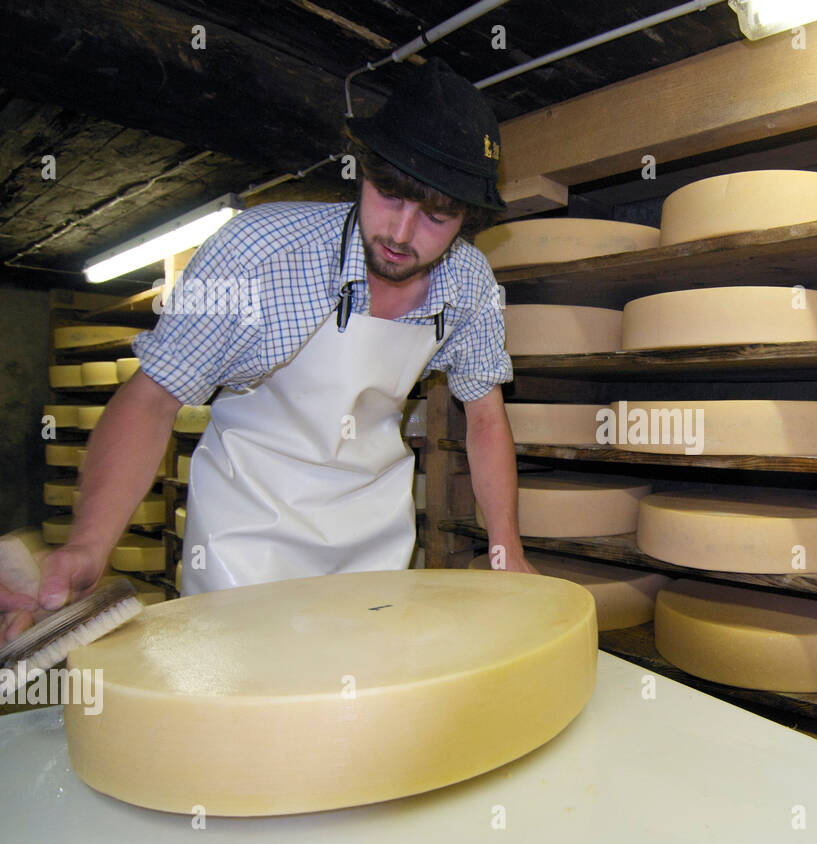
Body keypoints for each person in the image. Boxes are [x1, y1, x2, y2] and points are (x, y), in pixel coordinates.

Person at [2, 57, 533, 635]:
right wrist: (88, 545)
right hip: (246, 546)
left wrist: (505, 552)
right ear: (365, 172)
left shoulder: (471, 283)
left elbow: (484, 418)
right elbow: (152, 398)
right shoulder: (256, 253)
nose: (402, 234)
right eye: (389, 194)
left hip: (374, 542)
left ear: (468, 219)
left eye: (436, 215)